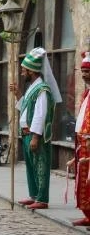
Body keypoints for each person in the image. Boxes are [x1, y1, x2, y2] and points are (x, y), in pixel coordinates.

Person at [10, 47, 62, 210]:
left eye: (24, 70)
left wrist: (35, 136)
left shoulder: (42, 89)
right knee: (31, 168)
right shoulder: (32, 88)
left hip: (35, 135)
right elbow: (24, 108)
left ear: (32, 71)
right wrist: (18, 94)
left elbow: (41, 114)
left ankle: (42, 198)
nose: (22, 72)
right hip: (26, 134)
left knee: (40, 167)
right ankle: (33, 195)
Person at [66, 52, 90, 225]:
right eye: (82, 71)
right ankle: (88, 215)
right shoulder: (86, 93)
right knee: (82, 182)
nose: (84, 74)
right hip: (82, 143)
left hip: (88, 142)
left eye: (87, 71)